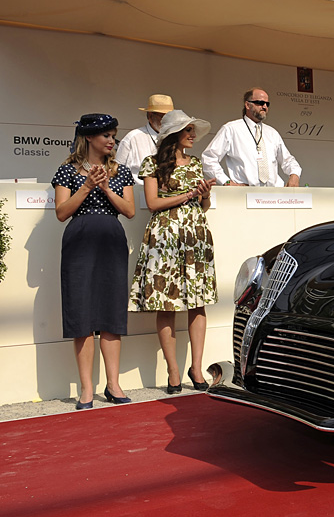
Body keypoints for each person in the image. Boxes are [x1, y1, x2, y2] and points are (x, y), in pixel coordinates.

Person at [51, 114, 136, 409]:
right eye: (106, 135)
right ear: (89, 137)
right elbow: (62, 213)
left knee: (112, 314)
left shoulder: (122, 171)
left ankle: (113, 385)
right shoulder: (67, 171)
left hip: (112, 242)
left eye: (114, 135)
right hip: (79, 242)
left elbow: (130, 211)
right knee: (82, 314)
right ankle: (87, 389)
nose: (112, 141)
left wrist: (106, 188)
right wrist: (86, 186)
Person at [130, 110, 217, 393]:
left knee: (197, 302)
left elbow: (203, 207)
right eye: (187, 130)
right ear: (173, 135)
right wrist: (190, 194)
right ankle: (173, 371)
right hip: (165, 236)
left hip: (195, 235)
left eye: (193, 129)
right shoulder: (152, 163)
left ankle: (196, 368)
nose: (193, 135)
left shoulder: (195, 163)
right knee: (166, 303)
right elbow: (153, 203)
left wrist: (203, 194)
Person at [202, 88, 302, 187]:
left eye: (267, 104)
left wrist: (294, 175)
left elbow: (288, 160)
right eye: (260, 103)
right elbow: (209, 158)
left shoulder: (272, 133)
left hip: (274, 195)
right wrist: (227, 182)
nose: (264, 107)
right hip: (245, 194)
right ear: (247, 105)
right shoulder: (231, 129)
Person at [116, 94, 175, 183]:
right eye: (164, 117)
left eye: (170, 117)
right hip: (138, 193)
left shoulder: (176, 138)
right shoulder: (133, 138)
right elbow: (117, 172)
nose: (168, 121)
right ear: (151, 116)